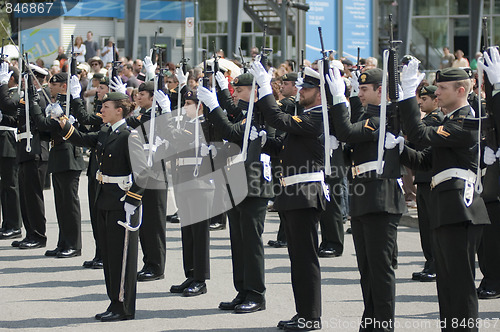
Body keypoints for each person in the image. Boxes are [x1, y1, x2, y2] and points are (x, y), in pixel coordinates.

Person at [399, 62, 490, 331]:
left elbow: (420, 133)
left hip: (460, 207)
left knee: (459, 284)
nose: (436, 92)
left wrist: (406, 94)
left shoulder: (468, 120)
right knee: (447, 282)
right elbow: (425, 160)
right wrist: (399, 148)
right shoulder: (449, 120)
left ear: (461, 90)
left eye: (441, 88)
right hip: (445, 206)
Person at [248, 63, 328, 330]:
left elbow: (277, 119)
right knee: (298, 260)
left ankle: (311, 317)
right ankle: (303, 312)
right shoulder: (306, 117)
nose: (301, 91)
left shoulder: (318, 117)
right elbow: (282, 147)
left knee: (305, 260)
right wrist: (262, 141)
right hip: (292, 194)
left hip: (305, 194)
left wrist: (263, 85)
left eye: (306, 87)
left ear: (320, 92)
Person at [327, 67, 406, 331]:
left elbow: (349, 131)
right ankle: (370, 321)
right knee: (367, 270)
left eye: (364, 89)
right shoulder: (368, 115)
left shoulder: (384, 116)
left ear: (380, 90)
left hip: (381, 199)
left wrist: (340, 99)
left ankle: (383, 325)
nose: (359, 93)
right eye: (357, 89)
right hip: (364, 198)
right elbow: (351, 144)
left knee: (381, 270)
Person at [58, 92, 147, 321]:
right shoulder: (107, 132)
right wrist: (62, 121)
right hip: (104, 198)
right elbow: (81, 139)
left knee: (122, 257)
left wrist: (132, 200)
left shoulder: (130, 136)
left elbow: (144, 173)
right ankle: (114, 301)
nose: (101, 110)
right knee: (109, 255)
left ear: (119, 110)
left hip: (122, 202)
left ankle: (124, 306)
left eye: (106, 106)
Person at [198, 71, 274, 314]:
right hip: (237, 182)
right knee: (238, 241)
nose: (235, 95)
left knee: (251, 243)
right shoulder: (247, 114)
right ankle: (242, 290)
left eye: (239, 90)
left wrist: (213, 105)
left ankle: (256, 294)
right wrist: (217, 99)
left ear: (253, 90)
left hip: (254, 185)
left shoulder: (265, 113)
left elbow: (232, 133)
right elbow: (230, 123)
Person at [30, 72, 86, 258]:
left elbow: (46, 125)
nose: (50, 87)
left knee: (69, 204)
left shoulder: (69, 104)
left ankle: (74, 245)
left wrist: (36, 107)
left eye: (54, 84)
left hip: (69, 156)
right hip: (58, 155)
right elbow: (46, 130)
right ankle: (63, 242)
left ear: (63, 86)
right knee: (61, 204)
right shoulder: (59, 104)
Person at [167, 89, 213, 297]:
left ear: (200, 105)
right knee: (188, 231)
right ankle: (191, 273)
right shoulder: (186, 123)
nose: (185, 107)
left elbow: (179, 139)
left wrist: (167, 115)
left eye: (189, 103)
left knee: (199, 232)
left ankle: (201, 279)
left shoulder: (205, 124)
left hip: (200, 182)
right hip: (183, 180)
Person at [411, 85, 444, 282]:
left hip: (431, 177)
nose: (421, 102)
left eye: (425, 99)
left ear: (435, 100)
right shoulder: (428, 120)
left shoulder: (436, 120)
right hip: (424, 178)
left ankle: (434, 264)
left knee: (432, 225)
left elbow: (419, 139)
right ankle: (430, 262)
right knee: (425, 225)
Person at [0, 64, 23, 242]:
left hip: (9, 140)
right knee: (5, 186)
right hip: (3, 140)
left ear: (11, 79)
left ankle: (14, 225)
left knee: (11, 185)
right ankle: (7, 223)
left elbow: (11, 112)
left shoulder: (16, 93)